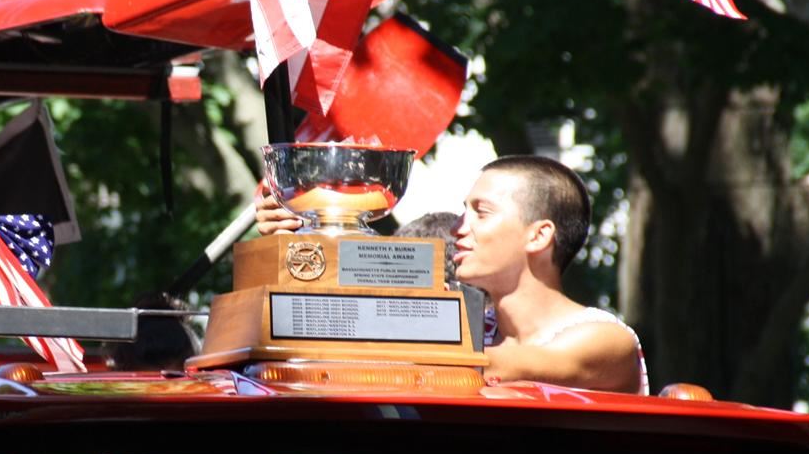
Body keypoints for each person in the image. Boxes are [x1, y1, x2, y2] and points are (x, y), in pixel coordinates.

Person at [258, 156, 647, 393]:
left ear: (539, 235)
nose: (461, 226)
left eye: (482, 211)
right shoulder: (468, 322)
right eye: (465, 210)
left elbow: (491, 367)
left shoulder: (605, 339)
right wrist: (305, 242)